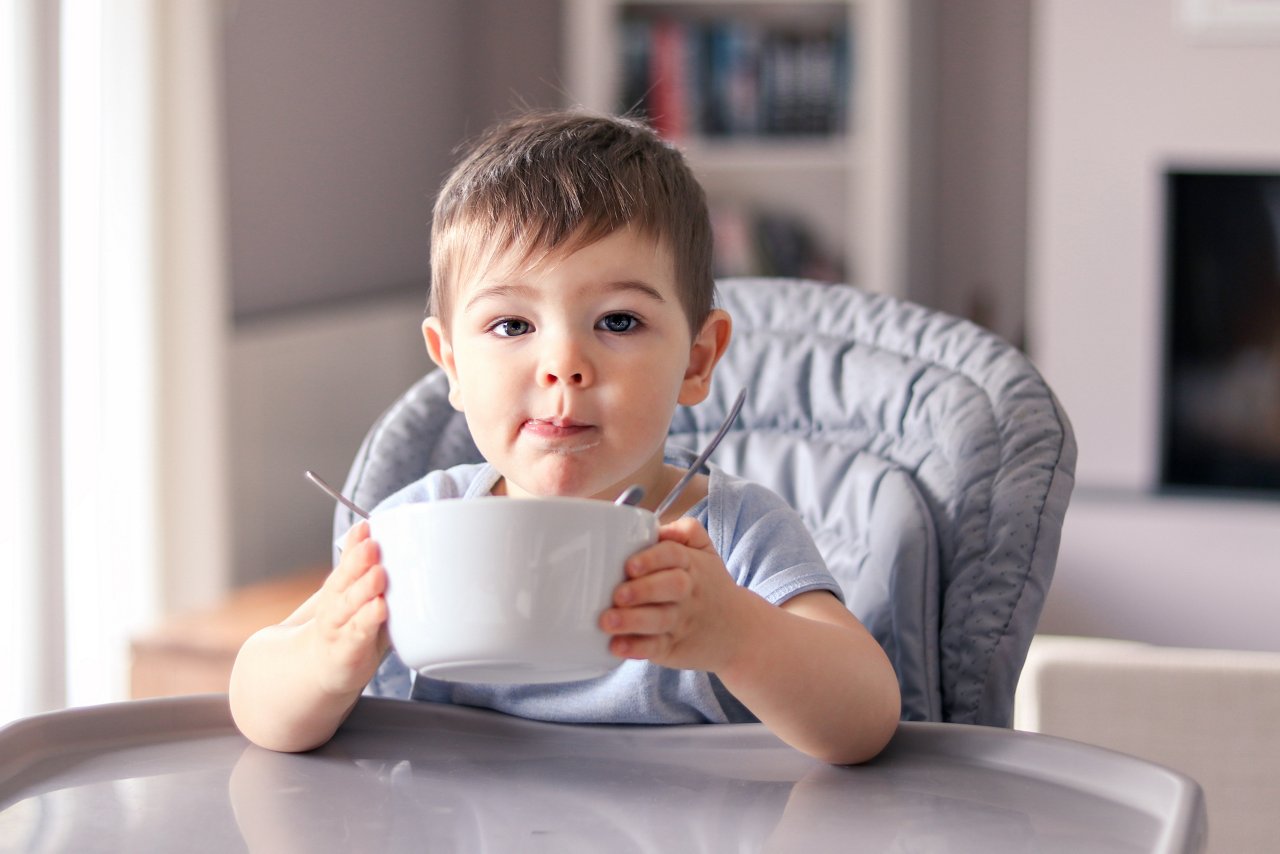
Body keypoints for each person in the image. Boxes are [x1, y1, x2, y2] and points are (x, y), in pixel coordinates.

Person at [229, 110, 901, 763]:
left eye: (617, 322)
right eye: (513, 326)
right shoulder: (413, 531)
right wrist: (324, 657)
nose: (563, 364)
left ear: (697, 360)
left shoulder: (728, 541)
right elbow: (256, 703)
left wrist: (737, 634)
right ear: (452, 363)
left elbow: (867, 717)